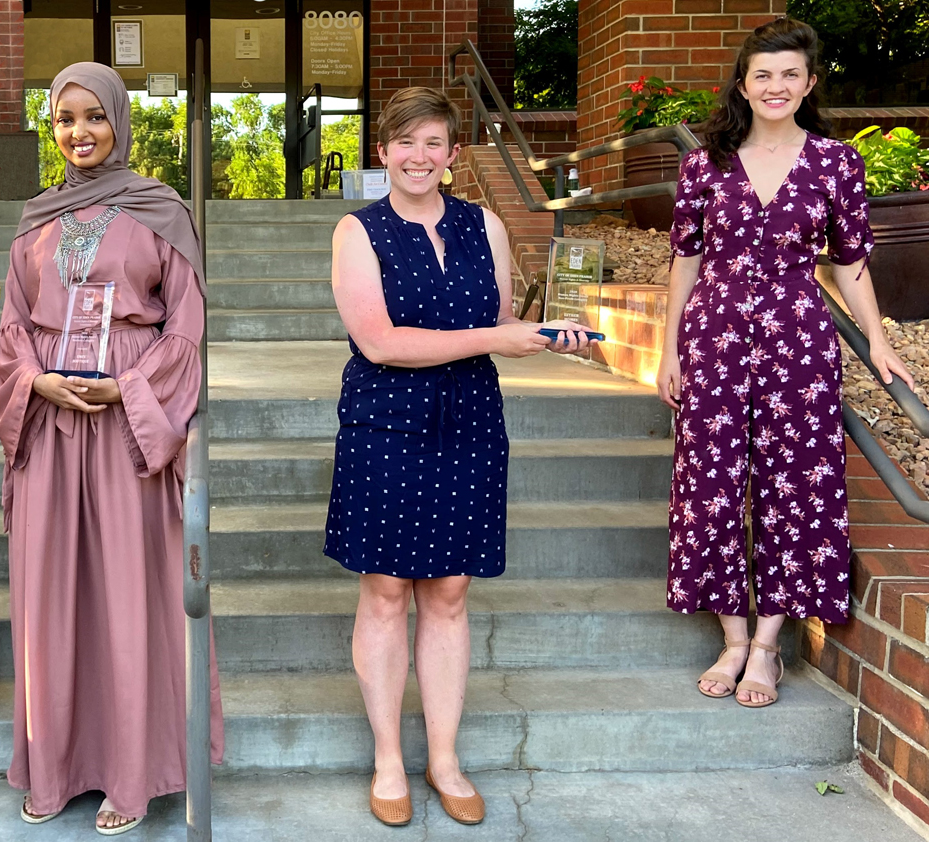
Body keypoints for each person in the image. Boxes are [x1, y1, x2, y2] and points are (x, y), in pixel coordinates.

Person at [324, 86, 591, 826]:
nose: (420, 157)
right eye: (406, 143)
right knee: (385, 591)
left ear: (452, 154)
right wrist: (495, 340)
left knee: (448, 593)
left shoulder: (487, 226)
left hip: (469, 420)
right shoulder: (358, 231)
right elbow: (378, 342)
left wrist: (543, 332)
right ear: (383, 152)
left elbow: (500, 320)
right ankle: (387, 759)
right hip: (385, 423)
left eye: (435, 143)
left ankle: (443, 759)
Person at [0, 62, 224, 835]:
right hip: (54, 421)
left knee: (129, 594)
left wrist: (132, 391)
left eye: (94, 117)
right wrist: (36, 383)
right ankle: (53, 767)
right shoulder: (35, 218)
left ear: (119, 120)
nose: (80, 133)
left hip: (129, 421)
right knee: (52, 593)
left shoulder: (162, 211)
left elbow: (185, 326)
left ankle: (131, 774)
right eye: (65, 119)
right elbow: (13, 329)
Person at [656, 17, 913, 708]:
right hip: (714, 337)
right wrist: (669, 348)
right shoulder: (704, 162)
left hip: (799, 339)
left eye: (789, 74)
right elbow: (684, 259)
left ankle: (767, 646)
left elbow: (851, 262)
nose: (776, 86)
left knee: (796, 482)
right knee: (710, 481)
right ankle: (732, 638)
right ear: (743, 83)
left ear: (809, 83)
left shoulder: (835, 162)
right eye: (763, 74)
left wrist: (879, 339)